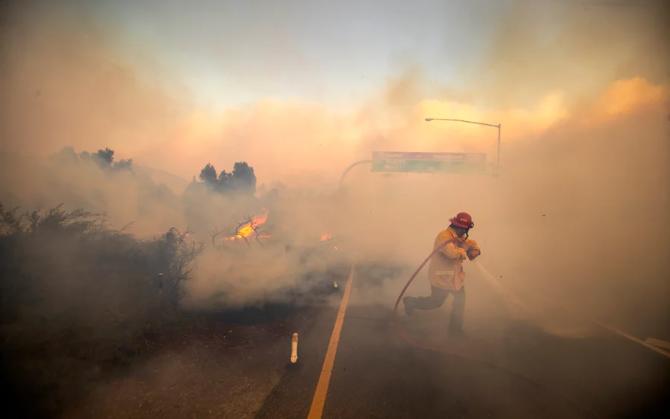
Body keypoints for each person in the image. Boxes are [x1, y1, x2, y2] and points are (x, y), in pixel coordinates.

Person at [402, 212, 481, 338]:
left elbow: (470, 243)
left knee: (460, 302)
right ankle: (410, 302)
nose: (466, 232)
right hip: (442, 278)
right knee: (436, 302)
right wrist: (465, 250)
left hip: (456, 278)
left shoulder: (458, 236)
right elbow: (452, 253)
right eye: (466, 229)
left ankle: (455, 331)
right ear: (461, 227)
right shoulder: (443, 237)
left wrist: (476, 250)